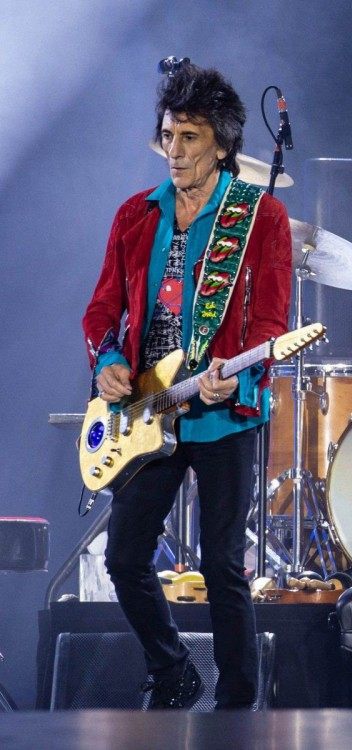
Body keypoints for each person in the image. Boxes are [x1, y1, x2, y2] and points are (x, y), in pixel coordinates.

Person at [82, 61, 292, 710]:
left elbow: (271, 321)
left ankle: (238, 704)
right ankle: (172, 669)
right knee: (124, 558)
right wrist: (108, 359)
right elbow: (101, 312)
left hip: (224, 414)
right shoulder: (135, 215)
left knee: (223, 566)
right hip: (148, 408)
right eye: (168, 136)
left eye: (190, 137)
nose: (174, 150)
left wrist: (240, 371)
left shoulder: (261, 216)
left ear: (223, 145)